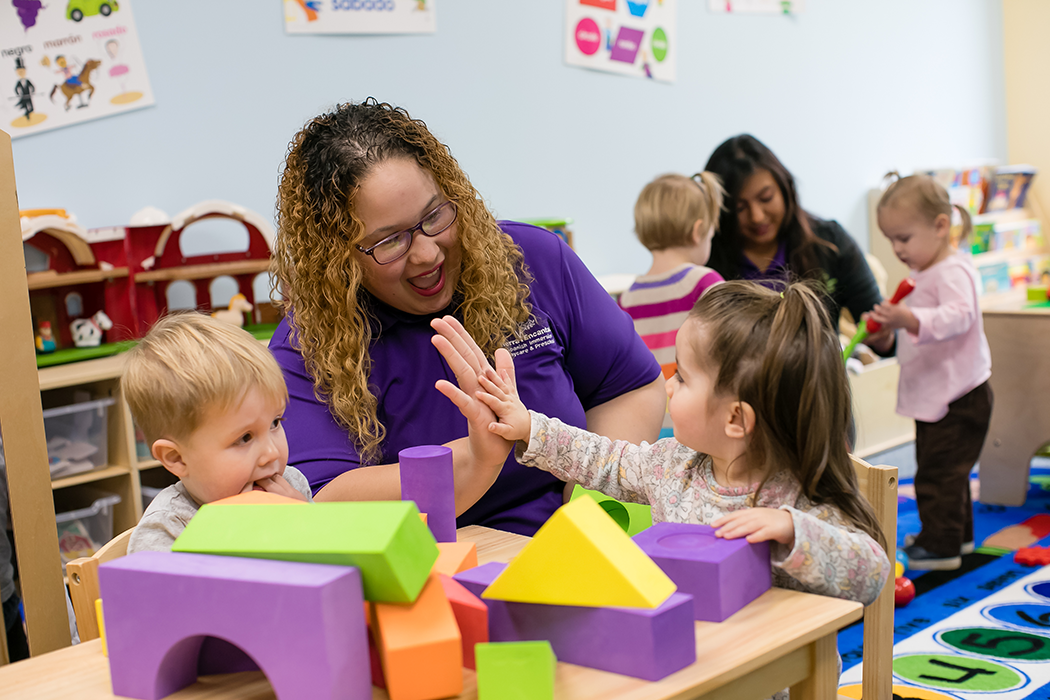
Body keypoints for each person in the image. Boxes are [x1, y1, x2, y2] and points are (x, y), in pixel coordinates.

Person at [269, 99, 665, 536]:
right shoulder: (310, 341)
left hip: (578, 536)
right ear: (338, 258)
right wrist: (474, 459)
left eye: (434, 216)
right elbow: (321, 499)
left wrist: (593, 509)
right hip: (441, 561)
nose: (426, 253)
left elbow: (628, 387)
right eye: (389, 242)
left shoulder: (531, 260)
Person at [433, 281, 890, 614]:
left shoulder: (795, 497)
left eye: (685, 378)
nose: (668, 385)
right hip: (690, 659)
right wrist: (528, 426)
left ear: (736, 419)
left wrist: (792, 530)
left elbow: (871, 574)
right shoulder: (672, 466)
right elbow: (601, 459)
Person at [867, 173, 992, 571]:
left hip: (960, 394)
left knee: (938, 475)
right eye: (890, 239)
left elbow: (960, 317)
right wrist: (888, 331)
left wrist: (908, 317)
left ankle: (941, 546)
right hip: (939, 393)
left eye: (904, 238)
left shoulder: (954, 271)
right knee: (948, 471)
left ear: (941, 226)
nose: (896, 248)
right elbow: (912, 337)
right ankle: (959, 537)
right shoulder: (922, 275)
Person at [124, 313, 312, 554]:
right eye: (245, 438)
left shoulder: (291, 484)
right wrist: (239, 536)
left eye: (275, 422)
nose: (272, 453)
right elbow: (168, 592)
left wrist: (309, 524)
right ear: (176, 458)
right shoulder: (168, 528)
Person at [703, 135, 891, 353]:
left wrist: (883, 336)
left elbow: (880, 331)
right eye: (740, 208)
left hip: (820, 383)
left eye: (766, 198)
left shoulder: (830, 242)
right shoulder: (707, 262)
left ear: (785, 188)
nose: (757, 216)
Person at [618, 172, 725, 436]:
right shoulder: (705, 283)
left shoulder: (627, 298)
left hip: (650, 424)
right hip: (698, 421)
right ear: (697, 231)